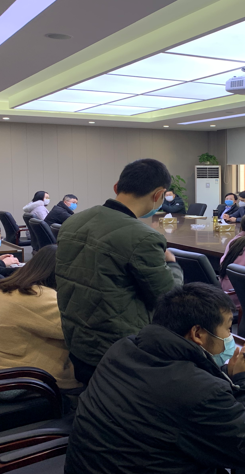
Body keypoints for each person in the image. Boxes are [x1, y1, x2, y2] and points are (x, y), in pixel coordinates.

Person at [65, 283, 245, 474]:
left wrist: (224, 373)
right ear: (198, 334)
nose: (230, 337)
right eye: (228, 329)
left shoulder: (123, 348)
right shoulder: (199, 392)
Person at [56, 158, 184, 384]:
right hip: (120, 351)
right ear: (159, 195)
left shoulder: (73, 222)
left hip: (77, 341)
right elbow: (167, 299)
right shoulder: (143, 237)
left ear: (116, 187)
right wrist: (172, 264)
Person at [0, 245, 82, 407]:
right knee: (99, 379)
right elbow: (79, 330)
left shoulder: (10, 287)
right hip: (12, 383)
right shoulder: (38, 297)